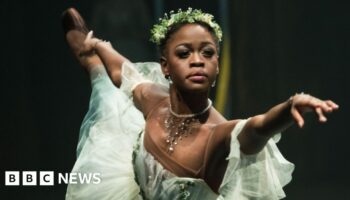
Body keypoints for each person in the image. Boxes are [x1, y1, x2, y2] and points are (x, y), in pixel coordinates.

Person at [62, 7, 339, 200]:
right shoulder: (154, 101)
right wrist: (97, 47)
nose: (197, 60)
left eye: (208, 53)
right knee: (109, 90)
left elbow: (257, 128)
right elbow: (123, 73)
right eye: (184, 53)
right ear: (166, 67)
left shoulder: (218, 136)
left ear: (217, 67)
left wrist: (288, 108)